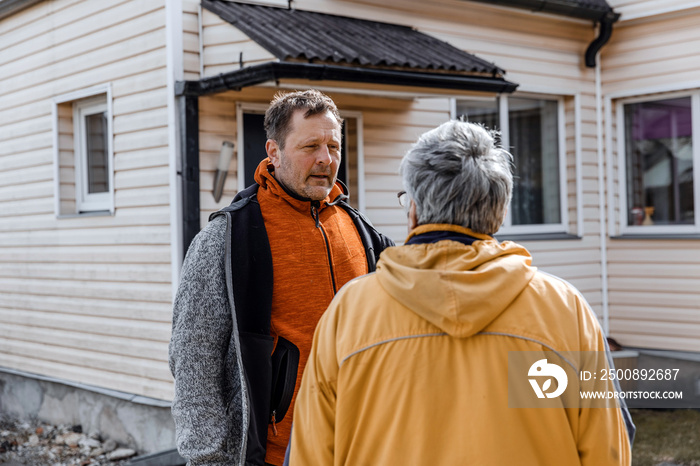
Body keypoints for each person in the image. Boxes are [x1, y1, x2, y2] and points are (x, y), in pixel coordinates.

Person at [289, 120, 635, 465]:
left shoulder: (349, 312)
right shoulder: (564, 309)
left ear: (414, 211)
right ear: (498, 213)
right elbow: (608, 451)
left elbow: (309, 454)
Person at [169, 89, 394, 466]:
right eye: (310, 147)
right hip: (276, 454)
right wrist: (208, 459)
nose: (326, 159)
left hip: (363, 448)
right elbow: (194, 366)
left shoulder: (362, 233)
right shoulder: (226, 240)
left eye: (333, 146)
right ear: (273, 152)